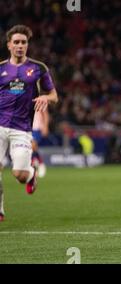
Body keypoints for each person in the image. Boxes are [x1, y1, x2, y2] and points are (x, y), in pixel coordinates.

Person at [0, 25, 58, 222]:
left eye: (23, 42)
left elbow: (54, 95)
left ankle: (31, 173)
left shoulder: (38, 69)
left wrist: (46, 99)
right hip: (0, 126)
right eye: (16, 42)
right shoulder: (1, 69)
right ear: (9, 45)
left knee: (19, 175)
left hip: (22, 129)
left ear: (27, 45)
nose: (20, 45)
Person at [31, 109, 49, 177]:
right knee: (32, 148)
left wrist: (45, 126)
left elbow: (46, 114)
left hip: (37, 127)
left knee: (33, 146)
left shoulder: (40, 100)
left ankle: (39, 164)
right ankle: (37, 163)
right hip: (27, 126)